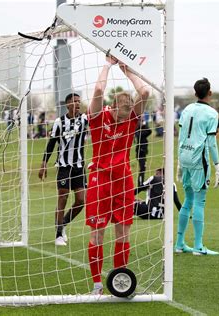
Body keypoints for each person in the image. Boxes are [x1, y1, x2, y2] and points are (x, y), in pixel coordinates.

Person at [86, 55, 149, 295]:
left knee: (123, 231)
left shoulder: (130, 120)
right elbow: (100, 88)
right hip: (99, 180)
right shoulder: (97, 117)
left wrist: (127, 70)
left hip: (123, 180)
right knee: (97, 232)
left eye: (128, 115)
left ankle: (119, 280)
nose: (125, 119)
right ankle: (97, 285)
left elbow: (144, 94)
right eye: (121, 114)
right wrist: (108, 64)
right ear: (112, 107)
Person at [175, 78, 219, 256]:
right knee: (200, 201)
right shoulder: (211, 113)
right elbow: (212, 143)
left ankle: (179, 244)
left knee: (187, 200)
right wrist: (217, 166)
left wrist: (179, 162)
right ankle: (198, 246)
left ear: (195, 93)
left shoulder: (186, 109)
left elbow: (180, 136)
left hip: (184, 157)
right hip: (198, 160)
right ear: (209, 92)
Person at [39, 93, 88, 246]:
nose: (78, 103)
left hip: (79, 166)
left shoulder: (85, 119)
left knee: (81, 200)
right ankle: (59, 234)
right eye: (74, 101)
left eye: (79, 101)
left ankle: (63, 223)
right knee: (63, 197)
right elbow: (52, 143)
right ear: (67, 104)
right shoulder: (59, 122)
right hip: (63, 166)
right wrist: (44, 163)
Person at [135, 118, 152, 187]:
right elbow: (147, 131)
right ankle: (140, 184)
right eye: (141, 122)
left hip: (143, 153)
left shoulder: (142, 130)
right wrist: (142, 126)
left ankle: (141, 183)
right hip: (140, 153)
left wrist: (144, 126)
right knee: (142, 168)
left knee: (143, 169)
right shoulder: (138, 131)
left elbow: (149, 131)